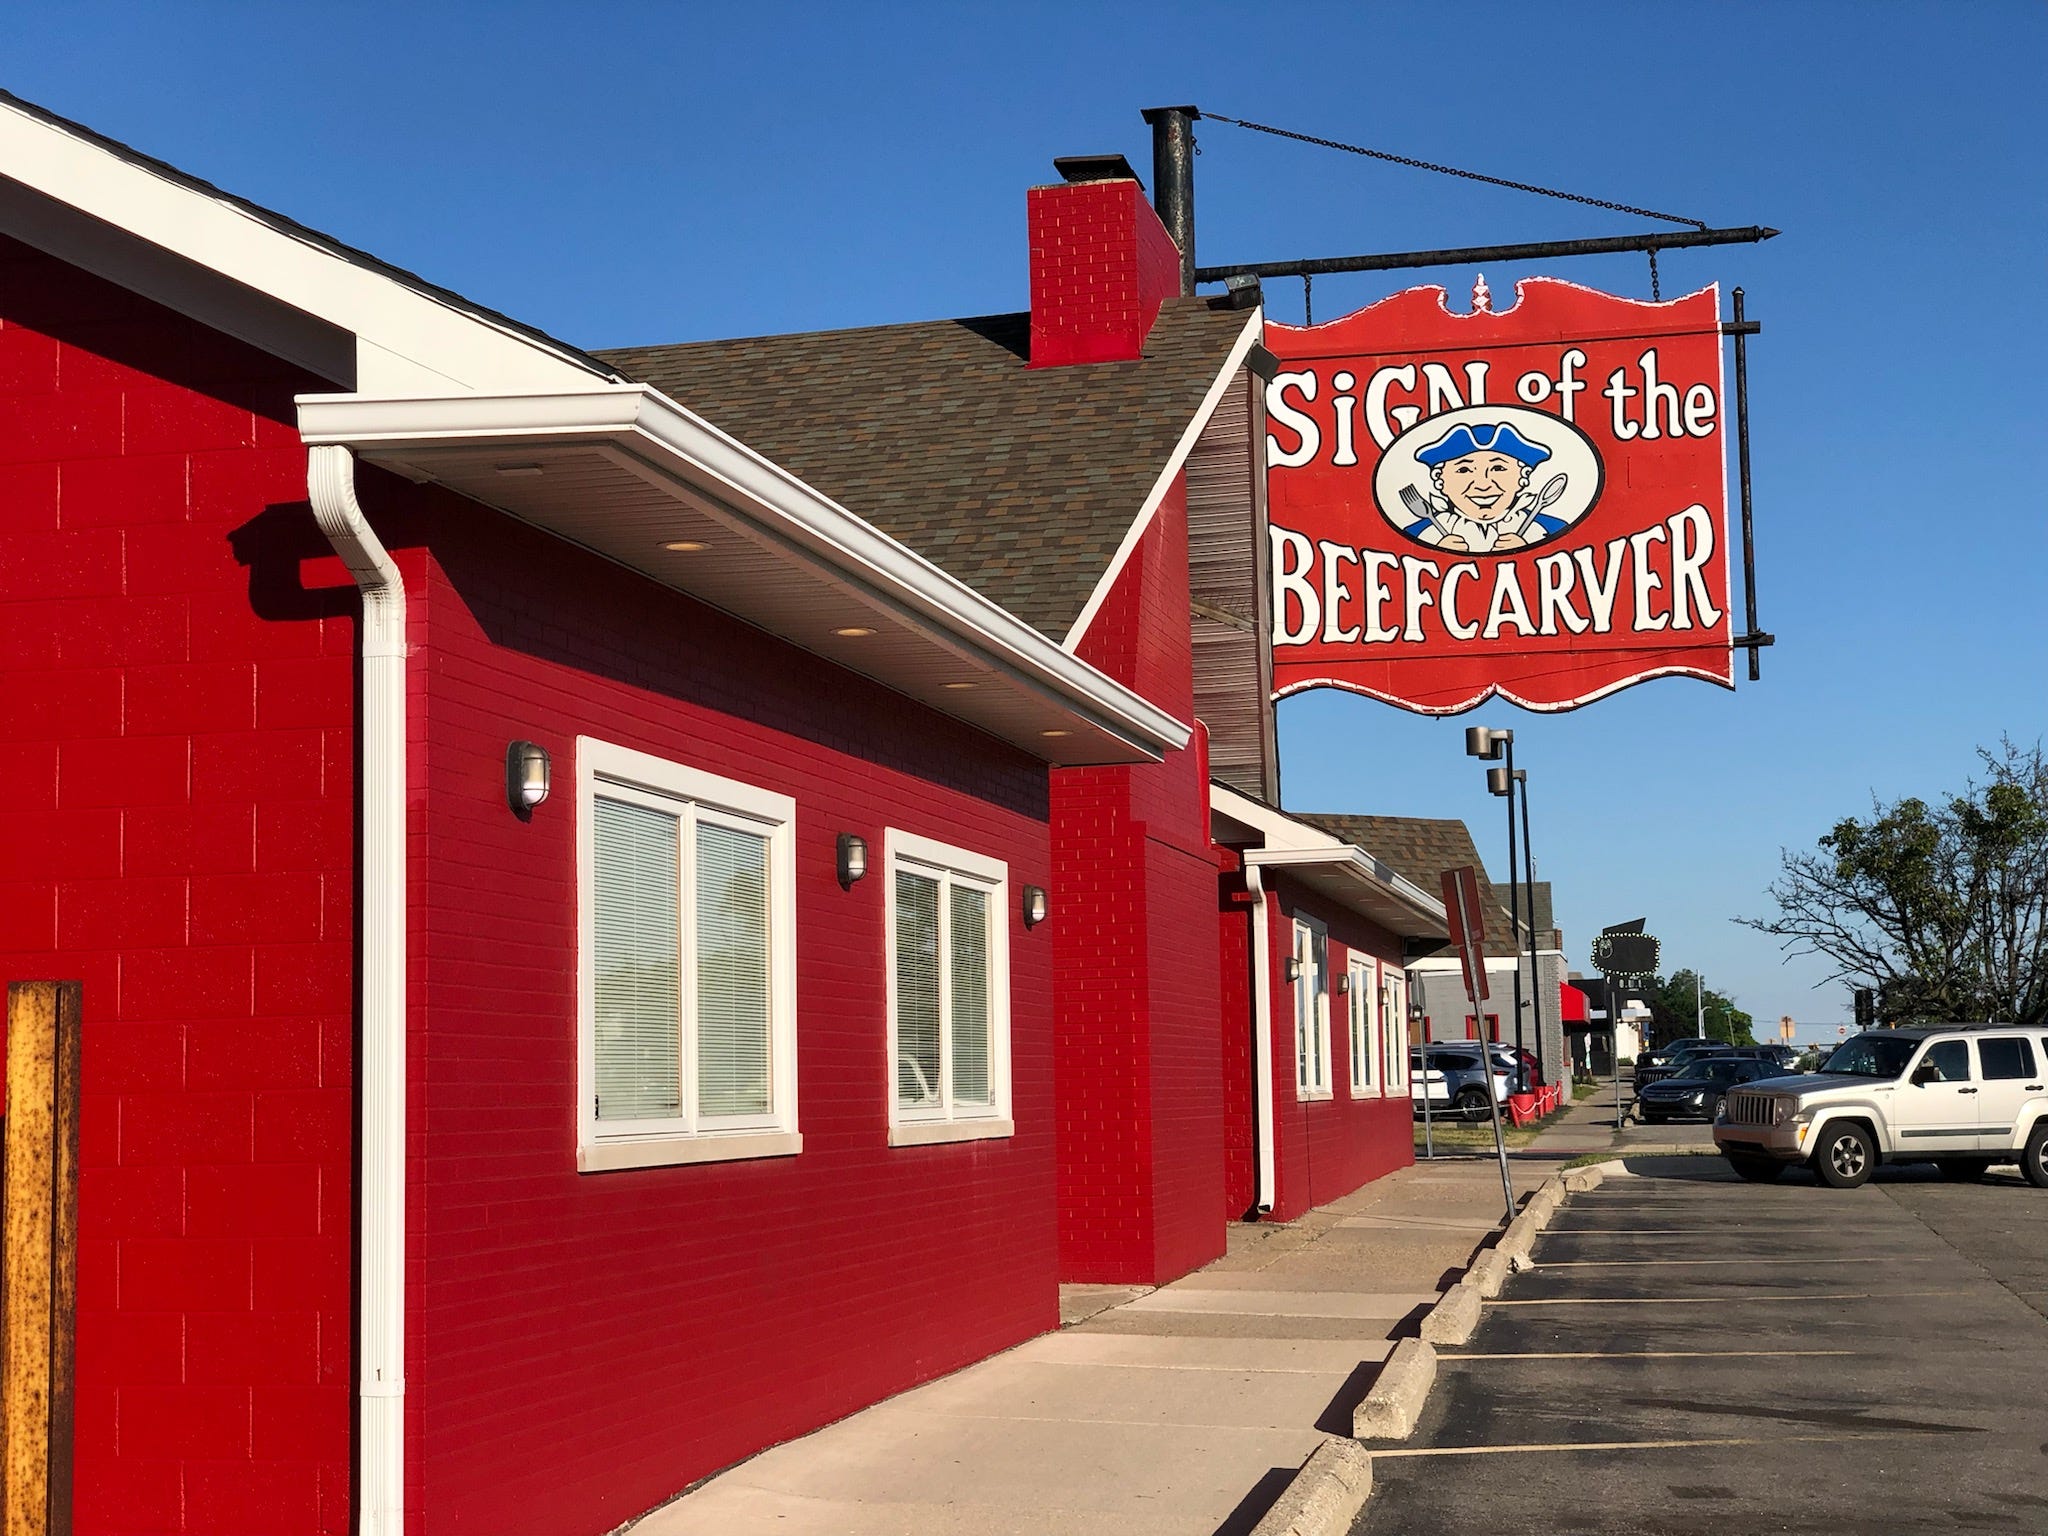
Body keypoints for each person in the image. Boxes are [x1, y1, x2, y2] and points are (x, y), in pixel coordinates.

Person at [1401, 422, 1567, 552]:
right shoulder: (1414, 535)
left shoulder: (1553, 529)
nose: (1483, 485)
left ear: (1522, 477)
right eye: (1464, 470)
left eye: (1498, 469)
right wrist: (1435, 552)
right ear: (1441, 481)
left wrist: (1527, 550)